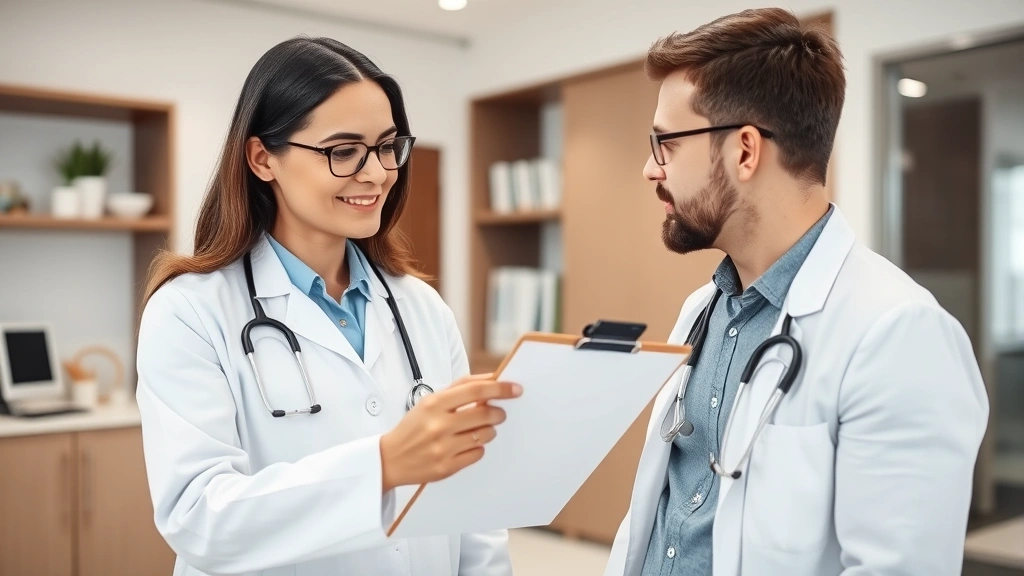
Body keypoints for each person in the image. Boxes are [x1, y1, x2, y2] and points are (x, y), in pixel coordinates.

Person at [604, 8, 989, 576]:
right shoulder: (703, 312)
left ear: (744, 151)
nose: (649, 169)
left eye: (667, 144)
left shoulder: (898, 333)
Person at [135, 36, 520, 576]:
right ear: (263, 158)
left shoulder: (421, 308)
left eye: (388, 146)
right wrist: (382, 466)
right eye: (344, 151)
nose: (376, 173)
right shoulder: (190, 311)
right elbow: (198, 517)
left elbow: (474, 500)